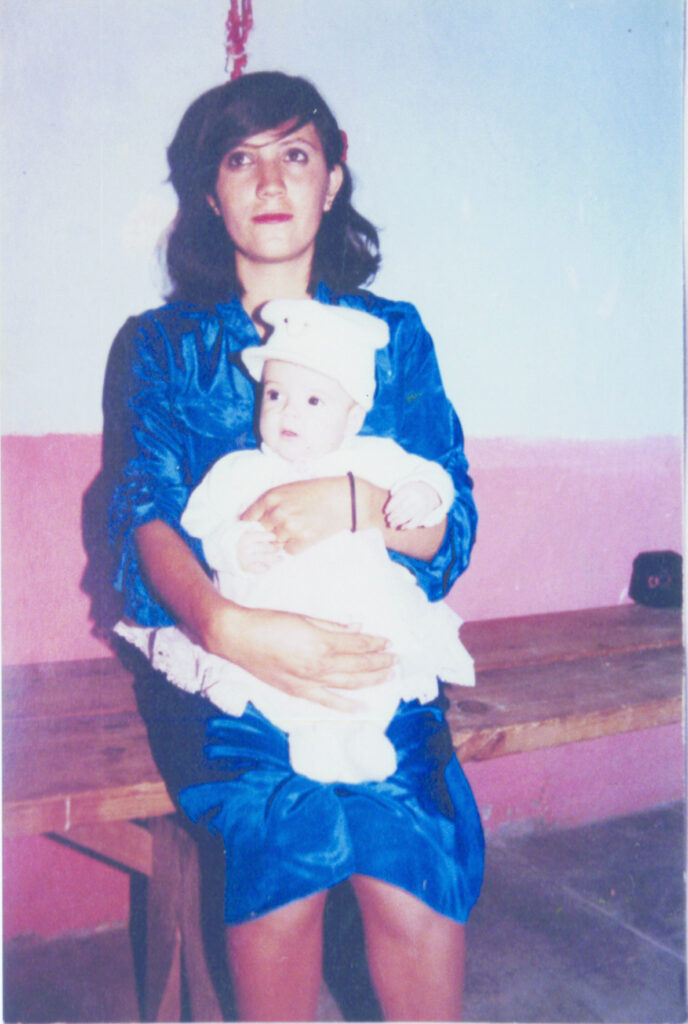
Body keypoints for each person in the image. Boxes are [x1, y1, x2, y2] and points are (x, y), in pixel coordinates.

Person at [106, 70, 484, 1021]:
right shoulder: (161, 345)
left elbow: (451, 527)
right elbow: (144, 515)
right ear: (210, 191)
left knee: (413, 856)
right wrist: (230, 626)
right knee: (290, 845)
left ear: (333, 175)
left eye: (295, 155)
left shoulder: (393, 336)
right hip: (220, 666)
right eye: (241, 160)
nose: (270, 182)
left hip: (373, 659)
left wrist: (354, 500)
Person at [114, 297, 476, 786]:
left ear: (350, 420)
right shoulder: (241, 470)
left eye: (313, 401)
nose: (289, 412)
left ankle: (362, 734)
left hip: (357, 617)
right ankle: (311, 740)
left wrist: (418, 494)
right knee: (274, 695)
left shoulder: (370, 457)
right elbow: (201, 525)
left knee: (373, 671)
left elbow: (434, 481)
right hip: (267, 629)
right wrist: (231, 544)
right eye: (275, 394)